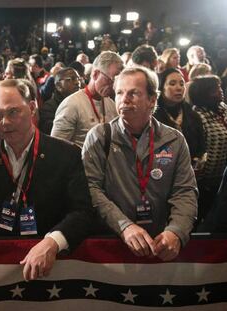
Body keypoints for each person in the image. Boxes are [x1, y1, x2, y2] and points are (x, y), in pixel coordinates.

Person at [0, 79, 95, 281]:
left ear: (32, 108)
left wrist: (52, 242)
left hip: (47, 261)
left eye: (13, 112)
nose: (5, 122)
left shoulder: (65, 154)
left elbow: (83, 212)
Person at [82, 66, 197, 261]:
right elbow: (92, 189)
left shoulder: (174, 139)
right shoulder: (100, 137)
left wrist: (176, 231)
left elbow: (185, 191)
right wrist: (124, 226)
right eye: (119, 92)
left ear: (152, 100)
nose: (124, 99)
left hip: (160, 242)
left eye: (133, 93)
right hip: (112, 242)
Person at [51, 51, 124, 148]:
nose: (114, 86)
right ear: (95, 74)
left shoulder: (111, 104)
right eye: (110, 80)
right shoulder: (71, 104)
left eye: (117, 82)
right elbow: (56, 147)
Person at [189, 75, 227, 221]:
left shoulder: (223, 108)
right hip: (206, 180)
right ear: (204, 94)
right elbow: (199, 150)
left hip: (223, 175)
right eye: (215, 89)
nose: (220, 91)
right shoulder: (198, 116)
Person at [154, 68, 206, 161]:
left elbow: (201, 146)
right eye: (172, 84)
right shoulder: (153, 117)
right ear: (161, 87)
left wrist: (199, 158)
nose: (179, 88)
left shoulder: (193, 115)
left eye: (182, 84)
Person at [39, 67, 81, 134]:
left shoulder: (82, 102)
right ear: (59, 86)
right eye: (71, 79)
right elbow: (53, 133)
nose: (77, 82)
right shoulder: (49, 107)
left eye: (78, 79)